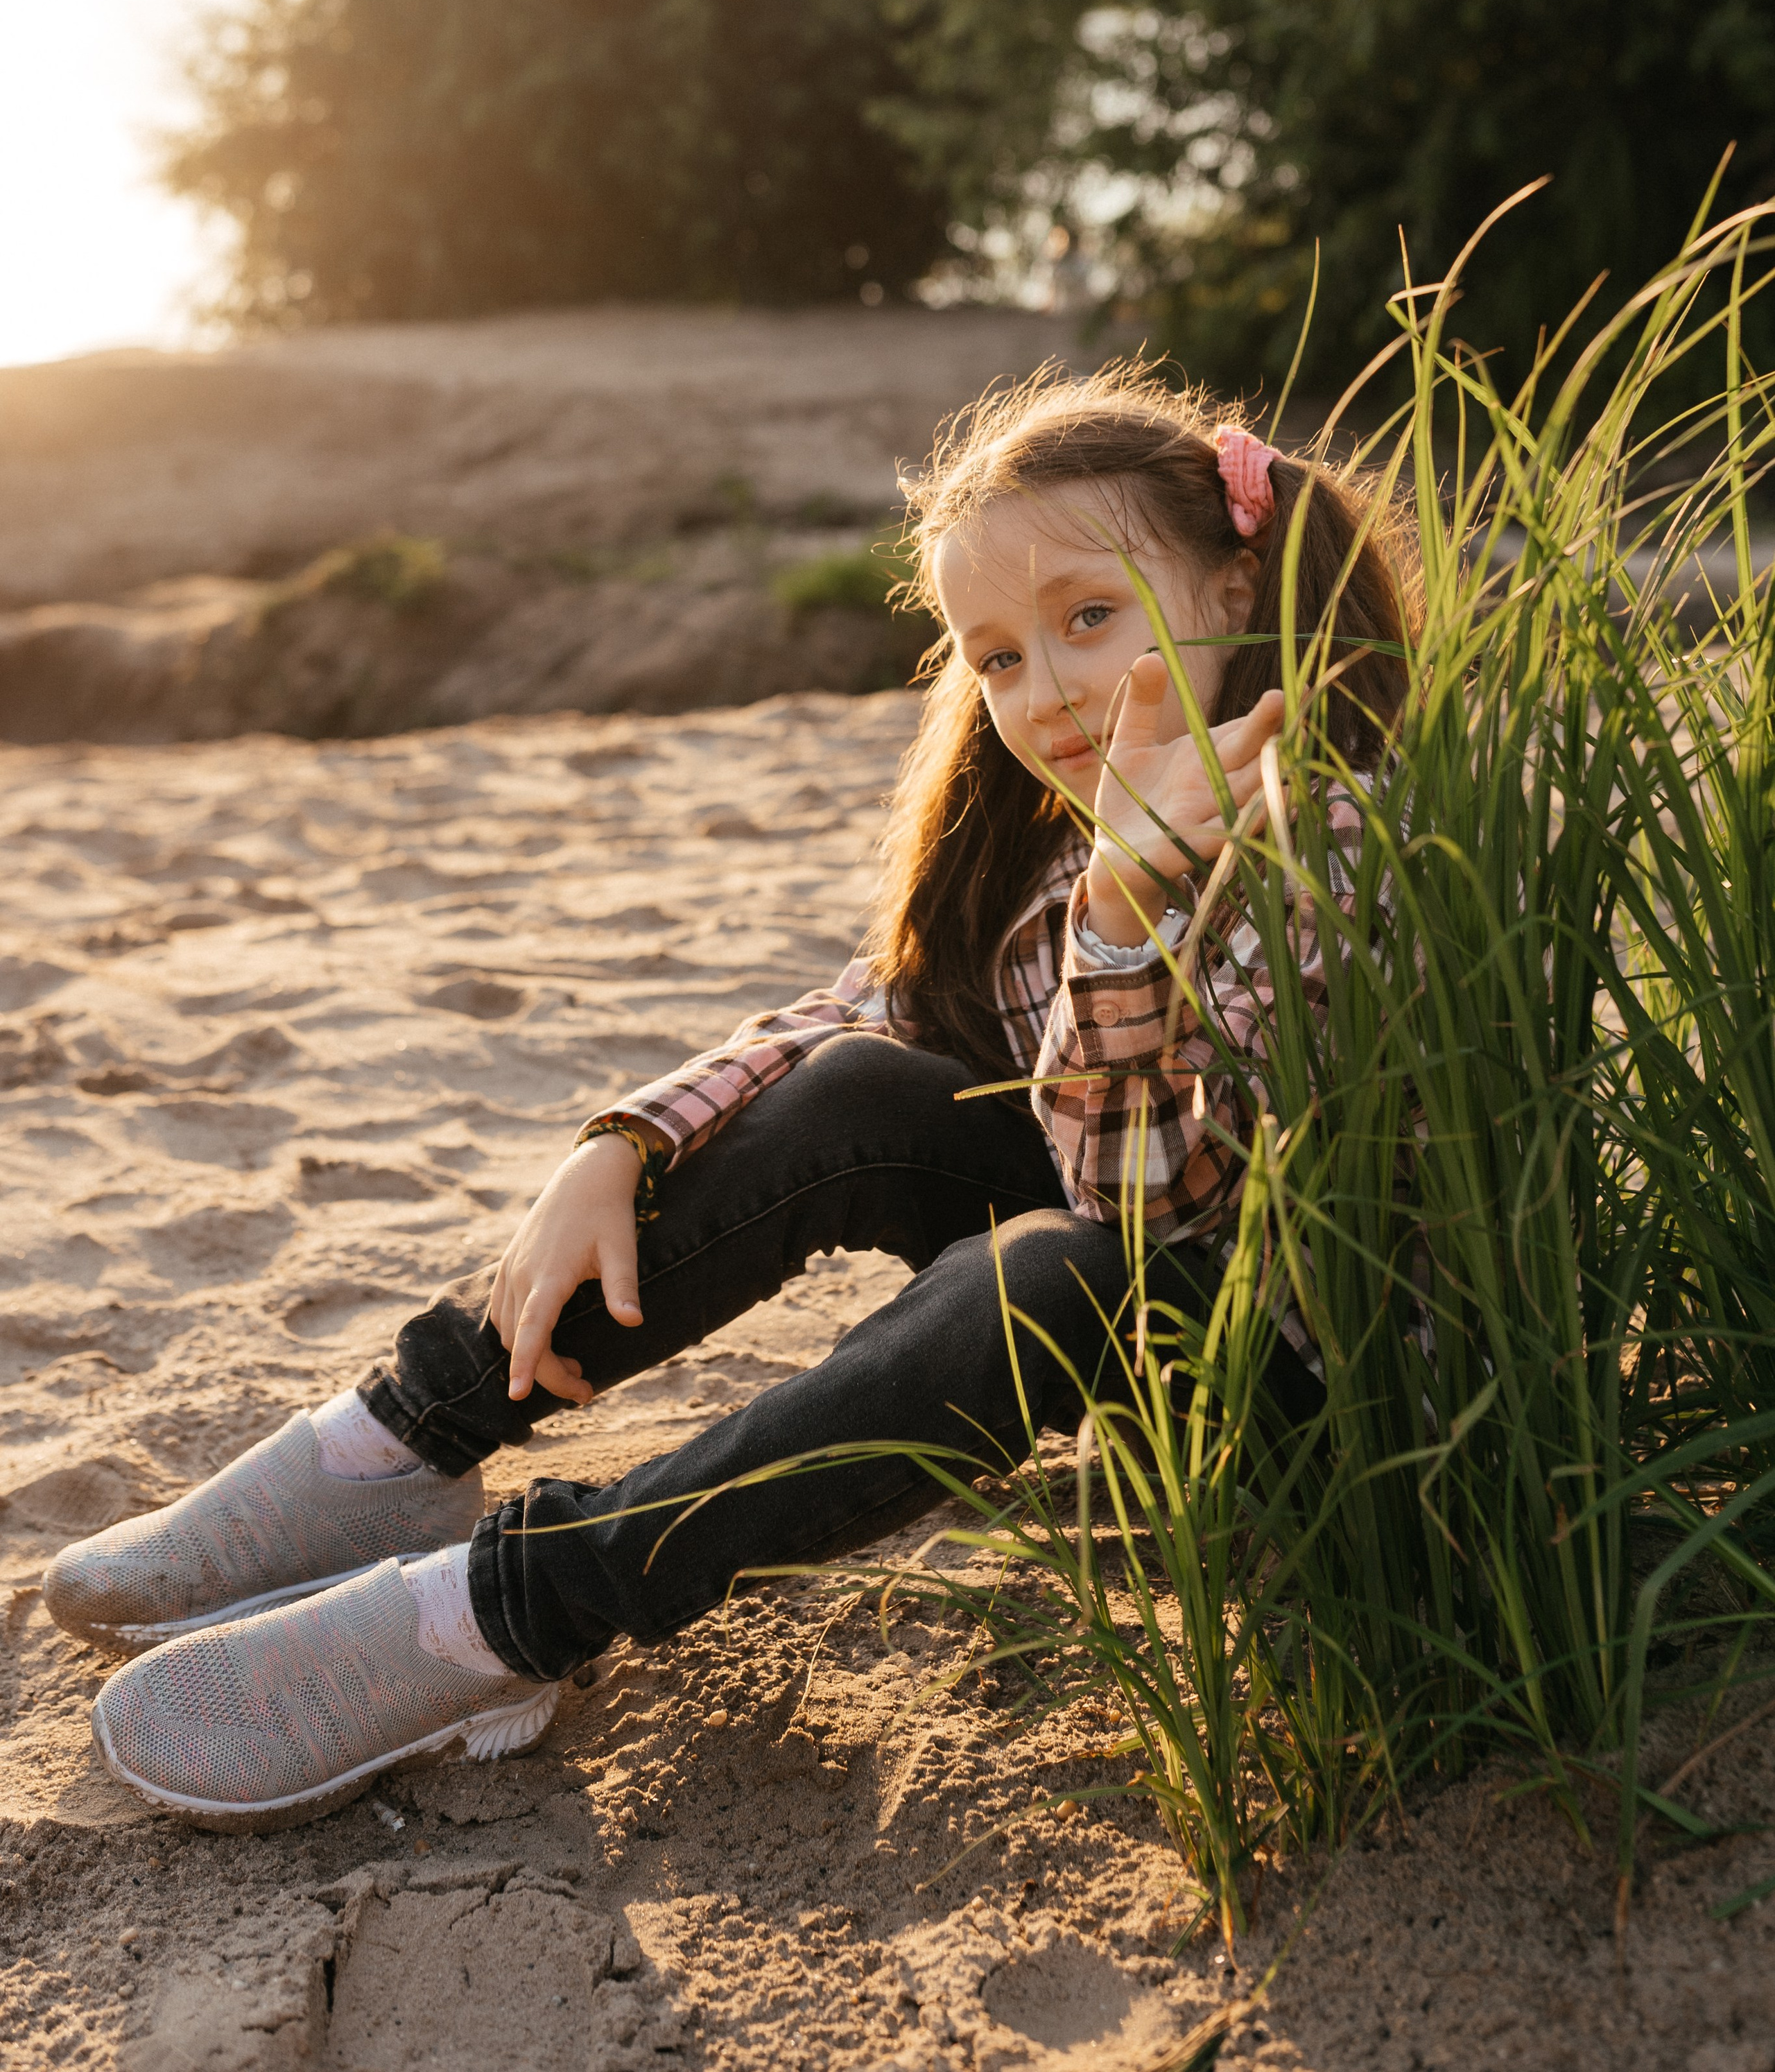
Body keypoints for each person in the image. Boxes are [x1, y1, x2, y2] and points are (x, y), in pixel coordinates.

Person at [45, 368, 1410, 1829]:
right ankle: (403, 1437)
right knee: (864, 1089)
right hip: (1145, 1299)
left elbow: (1159, 1219)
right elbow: (860, 1011)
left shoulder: (1325, 843)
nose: (1045, 689)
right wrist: (619, 1139)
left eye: (1089, 616)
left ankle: (508, 1615)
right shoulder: (1059, 852)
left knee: (1047, 1273)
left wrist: (1128, 918)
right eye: (996, 654)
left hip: (1328, 1411)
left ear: (1232, 580)